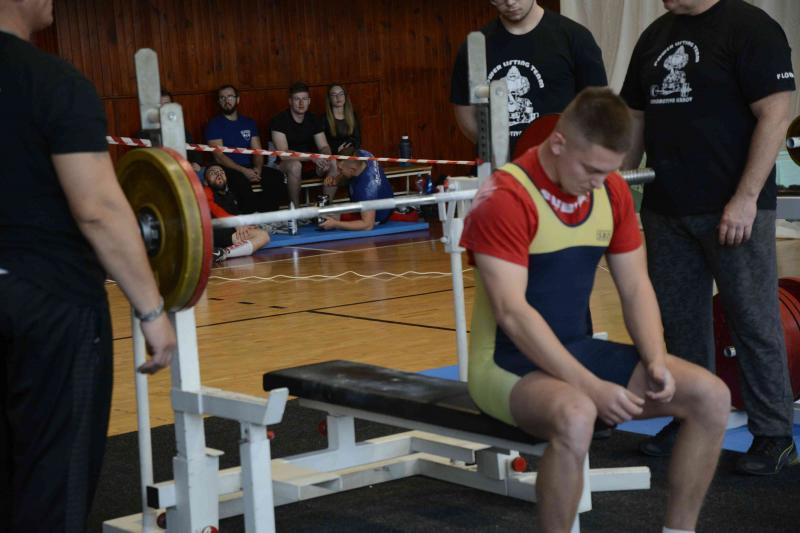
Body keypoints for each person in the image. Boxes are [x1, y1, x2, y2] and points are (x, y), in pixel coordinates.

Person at [461, 87, 730, 533]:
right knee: (577, 413)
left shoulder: (611, 191)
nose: (599, 182)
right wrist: (590, 386)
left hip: (576, 349)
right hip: (506, 364)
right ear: (558, 142)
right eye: (590, 169)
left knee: (712, 396)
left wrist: (655, 358)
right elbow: (513, 313)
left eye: (609, 171)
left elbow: (635, 287)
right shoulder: (505, 197)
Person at [0, 2, 177, 532]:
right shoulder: (52, 81)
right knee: (53, 486)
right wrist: (152, 310)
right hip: (49, 306)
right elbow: (97, 207)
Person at [620, 0, 798, 475]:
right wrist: (618, 191)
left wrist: (746, 197)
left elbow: (776, 115)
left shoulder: (750, 27)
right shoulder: (655, 36)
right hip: (666, 207)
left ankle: (774, 435)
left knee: (753, 320)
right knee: (679, 323)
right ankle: (690, 419)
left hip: (733, 208)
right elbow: (634, 118)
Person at [450, 0, 608, 154]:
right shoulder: (475, 47)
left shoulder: (575, 37)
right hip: (501, 166)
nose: (510, 2)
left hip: (561, 161)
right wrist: (497, 150)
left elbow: (597, 106)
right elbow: (466, 111)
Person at [205, 84, 280, 213]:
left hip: (250, 167)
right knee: (240, 182)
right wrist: (243, 171)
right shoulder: (214, 124)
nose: (226, 100)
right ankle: (250, 220)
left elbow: (257, 151)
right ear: (219, 102)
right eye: (222, 98)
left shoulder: (249, 122)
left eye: (230, 97)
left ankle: (268, 217)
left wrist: (258, 169)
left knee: (276, 177)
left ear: (237, 99)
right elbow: (219, 156)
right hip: (229, 169)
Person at [270, 81, 336, 209]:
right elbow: (284, 154)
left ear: (309, 101)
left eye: (304, 99)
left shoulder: (313, 119)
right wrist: (312, 157)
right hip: (283, 165)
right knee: (295, 165)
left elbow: (324, 146)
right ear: (290, 101)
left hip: (310, 163)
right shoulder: (279, 120)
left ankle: (326, 208)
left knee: (332, 161)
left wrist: (325, 157)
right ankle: (295, 211)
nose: (301, 103)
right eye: (297, 99)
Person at [204, 163, 270, 262]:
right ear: (206, 181)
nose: (218, 174)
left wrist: (246, 225)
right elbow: (215, 209)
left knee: (261, 234)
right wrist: (235, 223)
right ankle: (221, 253)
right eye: (213, 173)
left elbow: (236, 215)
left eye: (221, 172)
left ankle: (220, 253)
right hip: (213, 232)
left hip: (227, 231)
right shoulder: (205, 191)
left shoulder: (229, 195)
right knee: (263, 236)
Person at [319, 147, 394, 231]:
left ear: (352, 170)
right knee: (326, 212)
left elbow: (368, 225)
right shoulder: (364, 154)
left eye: (340, 169)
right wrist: (335, 180)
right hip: (377, 199)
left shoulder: (367, 190)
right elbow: (348, 168)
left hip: (378, 217)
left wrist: (336, 224)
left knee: (328, 216)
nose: (338, 172)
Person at [134, 88, 205, 172]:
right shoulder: (143, 133)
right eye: (159, 106)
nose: (163, 109)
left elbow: (194, 151)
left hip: (181, 170)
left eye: (167, 105)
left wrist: (195, 163)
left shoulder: (180, 129)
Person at [323, 83, 361, 154]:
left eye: (341, 94)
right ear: (329, 99)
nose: (338, 97)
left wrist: (350, 146)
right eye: (334, 95)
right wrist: (336, 149)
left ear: (345, 96)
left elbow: (358, 140)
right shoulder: (324, 118)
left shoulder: (353, 115)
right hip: (333, 155)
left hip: (351, 153)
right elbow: (323, 145)